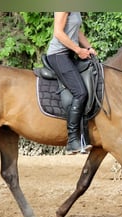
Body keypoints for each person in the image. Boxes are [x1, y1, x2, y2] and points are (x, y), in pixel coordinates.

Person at [46, 12, 97, 155]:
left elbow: (77, 32)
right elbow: (58, 33)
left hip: (68, 55)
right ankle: (73, 139)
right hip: (58, 55)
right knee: (80, 92)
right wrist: (78, 50)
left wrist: (89, 48)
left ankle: (83, 136)